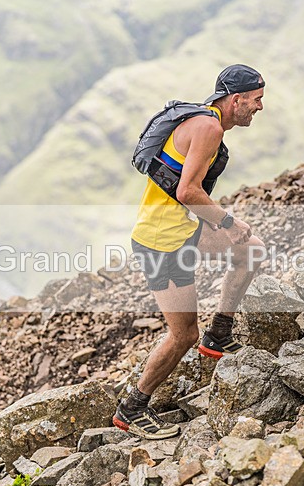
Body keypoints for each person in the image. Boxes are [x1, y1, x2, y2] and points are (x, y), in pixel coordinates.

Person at [113, 64, 267, 439]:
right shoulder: (209, 127)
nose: (260, 107)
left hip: (182, 227)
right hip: (161, 240)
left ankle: (219, 335)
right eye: (257, 100)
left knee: (252, 251)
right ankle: (132, 409)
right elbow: (187, 192)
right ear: (236, 99)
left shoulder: (202, 120)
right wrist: (229, 223)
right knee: (182, 334)